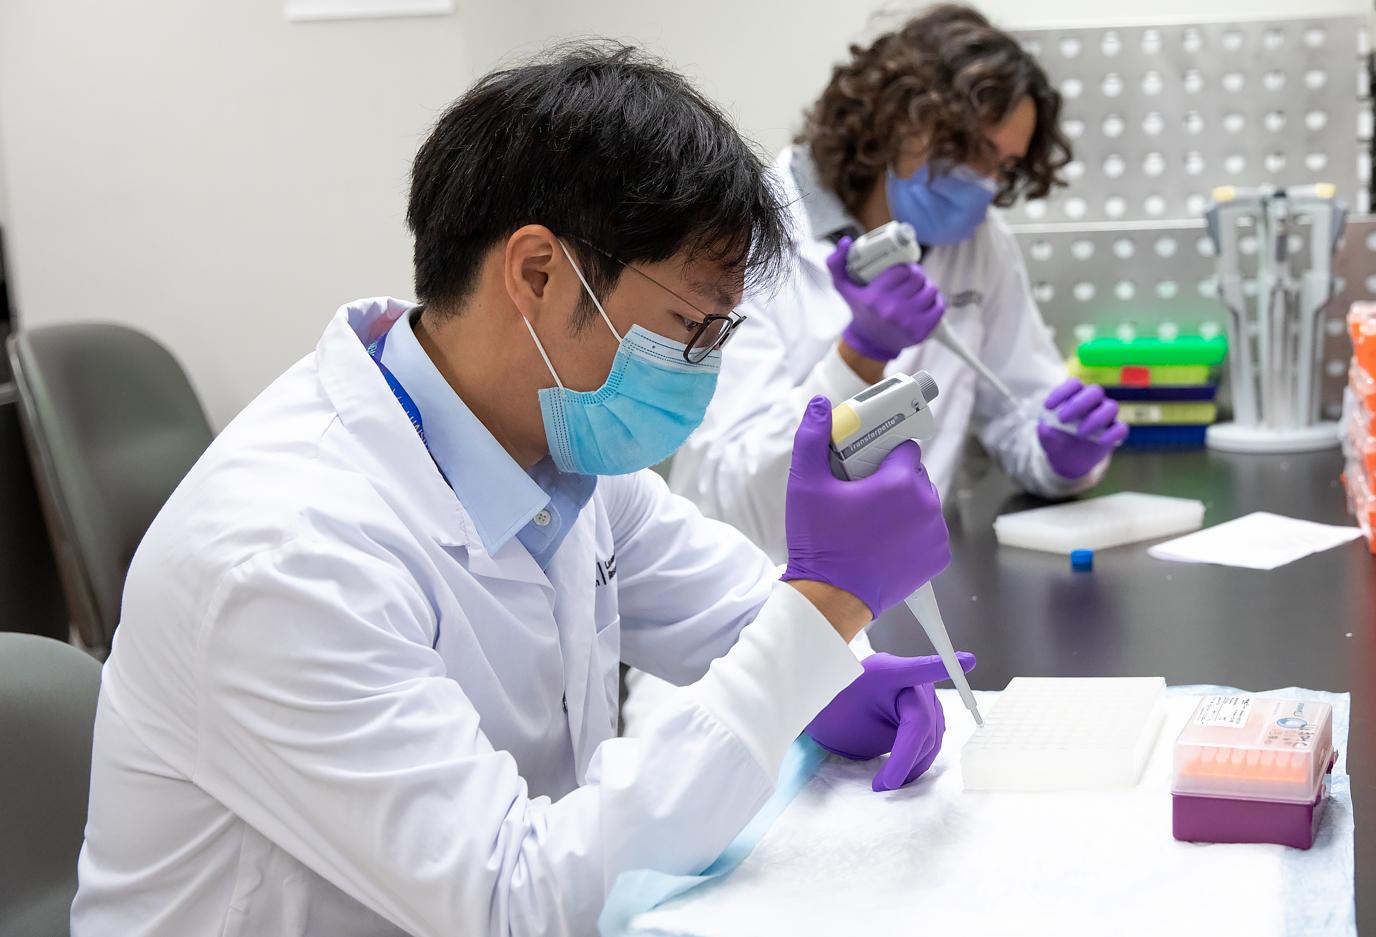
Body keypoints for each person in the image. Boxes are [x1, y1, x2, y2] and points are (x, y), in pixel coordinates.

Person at [70, 44, 966, 937]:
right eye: (690, 325)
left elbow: (735, 613)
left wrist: (832, 675)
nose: (703, 367)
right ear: (538, 273)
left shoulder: (550, 439)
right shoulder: (287, 558)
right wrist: (824, 606)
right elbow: (512, 900)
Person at [663, 4, 1129, 556]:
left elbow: (1020, 411)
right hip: (763, 600)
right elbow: (727, 501)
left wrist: (1061, 457)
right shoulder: (748, 235)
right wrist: (858, 358)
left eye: (1003, 167)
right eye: (971, 150)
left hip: (911, 582)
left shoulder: (979, 245)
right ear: (892, 117)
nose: (983, 184)